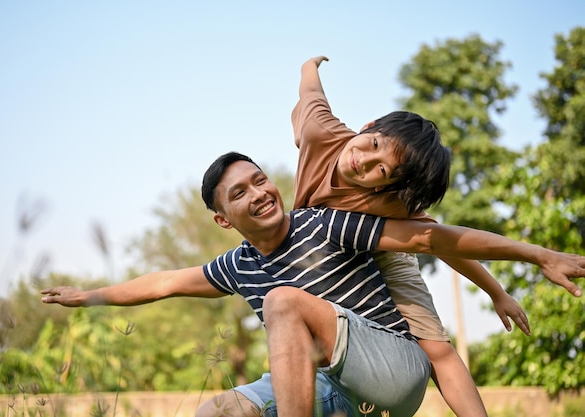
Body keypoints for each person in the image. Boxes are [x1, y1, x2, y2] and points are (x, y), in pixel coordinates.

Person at [41, 152, 585, 417]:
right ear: (224, 220)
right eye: (239, 193)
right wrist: (87, 296)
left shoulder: (322, 223)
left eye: (259, 179)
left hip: (391, 367)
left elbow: (433, 238)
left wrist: (535, 257)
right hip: (322, 389)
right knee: (214, 413)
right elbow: (163, 283)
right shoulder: (236, 266)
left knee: (282, 303)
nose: (258, 191)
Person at [290, 55, 534, 417]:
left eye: (382, 170)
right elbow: (311, 92)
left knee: (437, 350)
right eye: (373, 146)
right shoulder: (319, 132)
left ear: (390, 186)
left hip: (387, 249)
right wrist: (309, 65)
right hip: (328, 242)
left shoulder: (393, 204)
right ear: (369, 126)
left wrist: (496, 292)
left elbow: (441, 243)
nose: (365, 163)